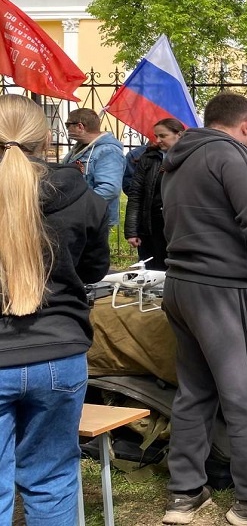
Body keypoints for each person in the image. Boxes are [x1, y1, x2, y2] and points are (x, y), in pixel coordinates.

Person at [159, 92, 247, 525]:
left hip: (181, 283)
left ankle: (184, 493)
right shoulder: (236, 156)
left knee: (194, 390)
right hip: (227, 288)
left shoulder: (177, 158)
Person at [0, 94, 111, 524]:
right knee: (52, 479)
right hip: (60, 354)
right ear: (46, 140)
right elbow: (93, 269)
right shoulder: (81, 196)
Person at [124, 118, 186, 270]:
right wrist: (132, 231)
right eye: (156, 136)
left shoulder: (191, 157)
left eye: (163, 136)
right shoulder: (149, 158)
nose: (158, 140)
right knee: (153, 270)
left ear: (178, 135)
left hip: (180, 226)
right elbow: (136, 195)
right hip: (152, 226)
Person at [61, 107, 125, 226]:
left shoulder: (108, 151)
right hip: (78, 216)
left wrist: (78, 206)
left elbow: (109, 188)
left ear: (80, 126)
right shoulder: (81, 146)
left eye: (68, 124)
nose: (67, 128)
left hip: (94, 219)